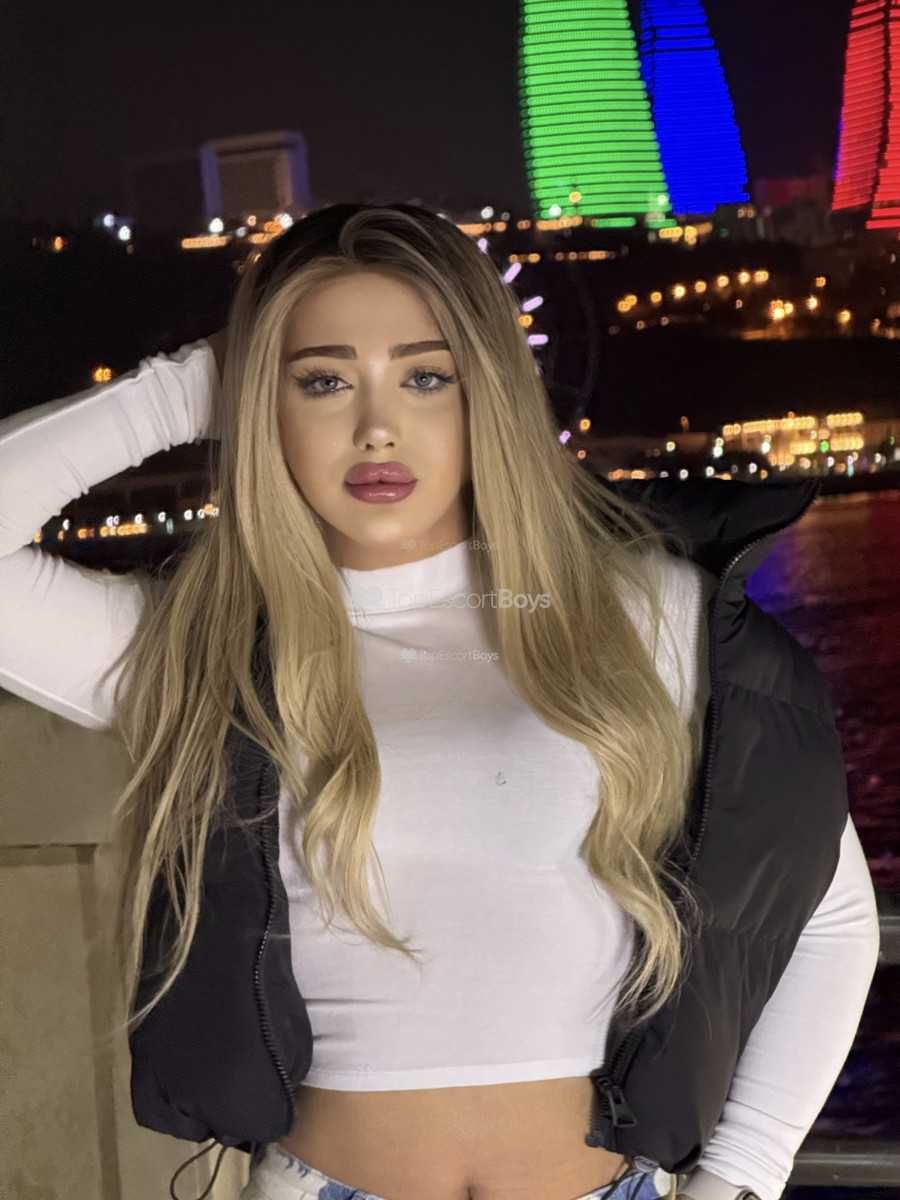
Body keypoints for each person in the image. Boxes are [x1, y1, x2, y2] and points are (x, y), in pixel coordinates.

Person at [0, 202, 880, 1200]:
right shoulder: (201, 650)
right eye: (323, 381)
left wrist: (739, 1180)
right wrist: (193, 383)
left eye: (425, 377)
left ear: (488, 394)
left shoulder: (642, 612)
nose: (377, 426)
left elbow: (827, 915)